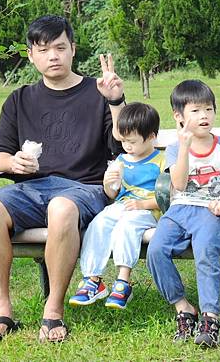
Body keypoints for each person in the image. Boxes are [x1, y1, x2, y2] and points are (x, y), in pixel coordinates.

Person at [0, 15, 126, 343]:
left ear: (73, 48)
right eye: (43, 50)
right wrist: (13, 162)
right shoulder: (20, 99)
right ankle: (2, 310)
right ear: (31, 55)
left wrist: (115, 100)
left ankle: (53, 311)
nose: (53, 56)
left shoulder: (96, 91)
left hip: (85, 188)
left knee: (61, 207)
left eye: (60, 47)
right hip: (31, 188)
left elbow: (122, 143)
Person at [146, 79, 220, 348]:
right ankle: (183, 307)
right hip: (179, 210)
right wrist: (185, 146)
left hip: (210, 213)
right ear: (179, 117)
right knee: (155, 251)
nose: (204, 116)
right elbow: (177, 184)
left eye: (209, 109)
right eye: (196, 111)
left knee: (205, 252)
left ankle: (210, 318)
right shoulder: (177, 148)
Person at [68, 102, 165, 310]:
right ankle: (92, 279)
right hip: (121, 206)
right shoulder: (121, 159)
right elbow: (112, 194)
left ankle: (123, 281)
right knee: (100, 222)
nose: (127, 146)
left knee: (126, 226)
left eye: (132, 142)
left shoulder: (161, 161)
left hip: (147, 210)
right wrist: (108, 182)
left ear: (151, 137)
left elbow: (168, 197)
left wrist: (143, 204)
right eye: (124, 141)